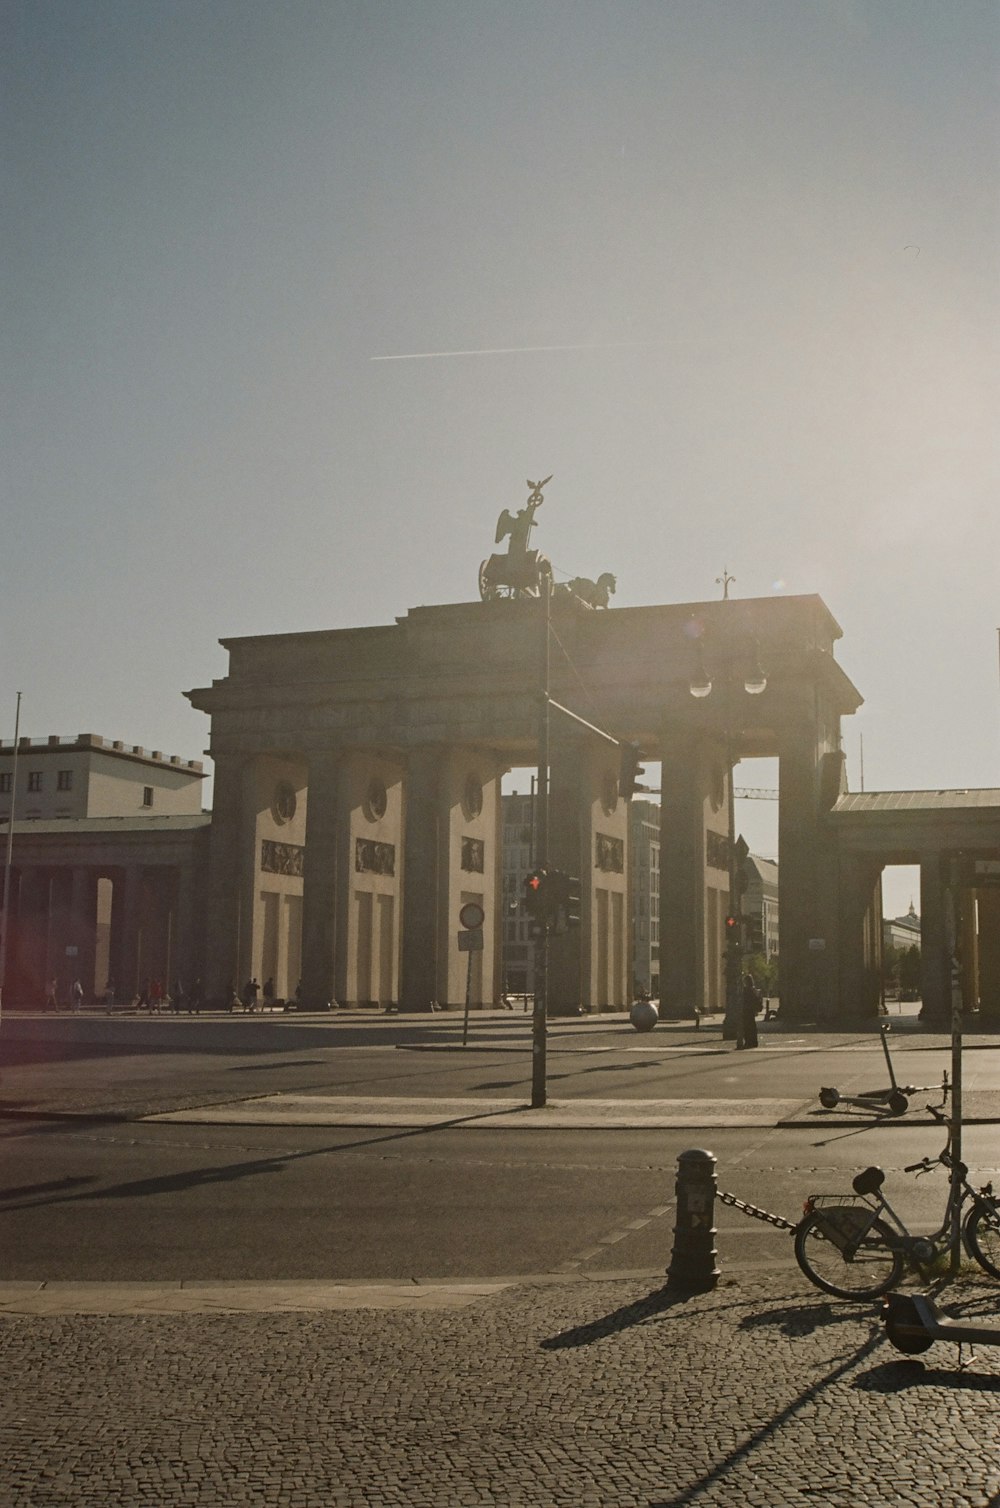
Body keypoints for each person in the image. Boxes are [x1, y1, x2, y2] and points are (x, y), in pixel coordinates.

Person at [737, 972, 761, 1049]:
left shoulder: (746, 990)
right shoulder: (754, 990)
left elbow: (744, 1000)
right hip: (752, 1011)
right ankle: (754, 1042)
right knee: (752, 1026)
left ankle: (748, 1042)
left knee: (747, 1027)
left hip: (746, 1011)